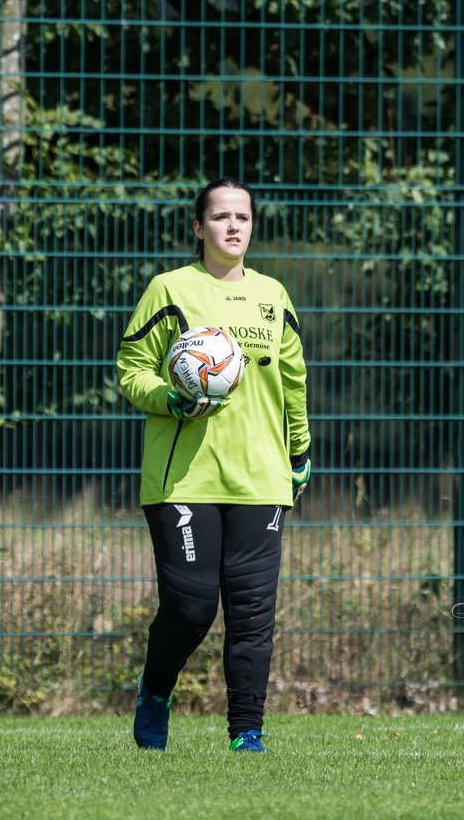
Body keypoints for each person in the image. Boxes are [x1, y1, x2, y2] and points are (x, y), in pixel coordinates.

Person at [116, 177, 312, 753]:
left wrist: (299, 452)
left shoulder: (274, 296)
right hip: (184, 479)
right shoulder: (169, 290)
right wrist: (169, 398)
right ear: (198, 227)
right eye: (221, 217)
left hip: (261, 480)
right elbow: (132, 370)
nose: (233, 227)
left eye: (243, 218)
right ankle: (155, 692)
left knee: (253, 617)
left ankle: (246, 733)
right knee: (191, 606)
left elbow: (294, 382)